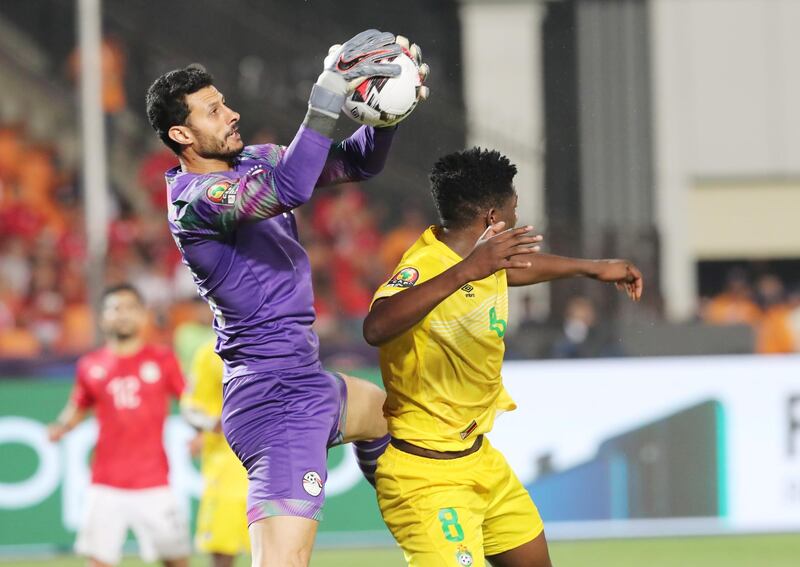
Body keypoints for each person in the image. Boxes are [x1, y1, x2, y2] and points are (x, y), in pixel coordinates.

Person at [145, 29, 429, 567]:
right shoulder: (196, 201)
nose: (229, 113)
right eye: (212, 110)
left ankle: (419, 528)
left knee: (394, 416)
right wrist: (325, 96)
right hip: (272, 401)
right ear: (181, 133)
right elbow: (289, 190)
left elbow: (357, 163)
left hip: (307, 381)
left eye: (223, 101)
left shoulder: (255, 159)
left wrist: (386, 114)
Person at [364, 147, 643, 567]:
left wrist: (593, 267)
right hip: (426, 477)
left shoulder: (485, 260)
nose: (517, 218)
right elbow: (376, 326)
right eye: (513, 209)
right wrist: (466, 272)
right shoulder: (426, 265)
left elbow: (514, 268)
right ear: (492, 216)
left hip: (480, 460)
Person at [48, 284, 190, 567]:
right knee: (99, 561)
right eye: (115, 308)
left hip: (153, 481)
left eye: (129, 308)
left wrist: (201, 429)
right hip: (105, 484)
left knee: (176, 560)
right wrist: (62, 426)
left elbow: (187, 400)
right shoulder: (90, 365)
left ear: (142, 316)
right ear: (102, 318)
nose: (122, 315)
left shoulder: (163, 359)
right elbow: (79, 404)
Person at [182, 340, 249, 567]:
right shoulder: (210, 352)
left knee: (278, 548)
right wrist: (211, 424)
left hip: (272, 460)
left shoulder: (279, 345)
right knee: (222, 551)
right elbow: (190, 407)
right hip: (225, 465)